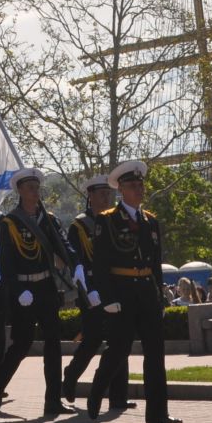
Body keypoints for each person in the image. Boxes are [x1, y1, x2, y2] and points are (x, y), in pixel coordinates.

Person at [85, 160, 180, 423]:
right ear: (121, 190)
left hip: (147, 293)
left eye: (140, 185)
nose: (139, 190)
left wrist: (160, 296)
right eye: (133, 186)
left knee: (155, 354)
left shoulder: (150, 221)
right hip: (122, 294)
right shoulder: (107, 220)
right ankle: (97, 390)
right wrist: (107, 297)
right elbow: (100, 265)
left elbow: (155, 264)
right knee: (118, 349)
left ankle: (158, 414)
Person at [0, 168, 70, 415]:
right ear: (20, 191)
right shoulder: (9, 223)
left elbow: (63, 248)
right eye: (30, 187)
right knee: (22, 343)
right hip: (24, 290)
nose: (35, 191)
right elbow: (5, 261)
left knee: (53, 343)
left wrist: (76, 268)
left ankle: (53, 400)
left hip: (45, 287)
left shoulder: (49, 220)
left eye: (37, 187)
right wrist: (18, 289)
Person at [62, 174, 116, 406]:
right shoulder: (80, 226)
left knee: (117, 339)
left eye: (108, 193)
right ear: (90, 196)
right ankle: (71, 376)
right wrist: (89, 290)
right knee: (93, 339)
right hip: (91, 289)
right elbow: (78, 263)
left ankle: (118, 397)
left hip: (113, 286)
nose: (106, 197)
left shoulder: (115, 221)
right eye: (101, 193)